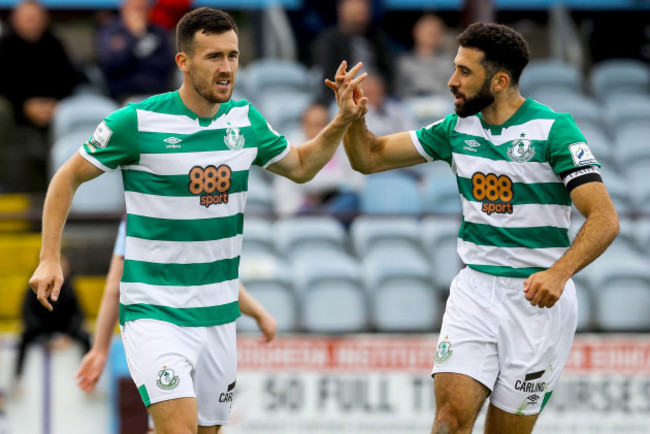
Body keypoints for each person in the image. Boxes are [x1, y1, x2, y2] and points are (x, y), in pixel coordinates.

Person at [29, 7, 367, 434]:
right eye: (214, 57)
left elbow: (300, 166)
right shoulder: (137, 122)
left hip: (219, 315)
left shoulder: (245, 121)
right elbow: (66, 178)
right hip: (155, 311)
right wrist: (49, 257)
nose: (227, 68)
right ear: (183, 62)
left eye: (233, 55)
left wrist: (340, 122)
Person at [327, 22, 619, 434]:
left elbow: (605, 218)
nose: (451, 81)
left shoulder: (554, 130)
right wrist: (352, 120)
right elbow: (368, 158)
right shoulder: (455, 129)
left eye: (464, 71)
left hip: (538, 303)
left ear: (500, 81)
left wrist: (559, 272)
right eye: (454, 68)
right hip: (475, 294)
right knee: (448, 423)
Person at [76, 217, 277, 433]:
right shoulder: (201, 209)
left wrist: (100, 349)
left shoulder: (141, 214)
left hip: (166, 332)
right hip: (172, 330)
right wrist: (259, 313)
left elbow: (116, 284)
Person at [0, 0, 85, 192]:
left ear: (45, 20)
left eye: (36, 19)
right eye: (27, 19)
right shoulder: (5, 46)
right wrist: (24, 106)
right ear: (15, 21)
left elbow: (69, 80)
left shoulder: (55, 45)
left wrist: (55, 105)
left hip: (54, 110)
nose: (32, 24)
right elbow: (4, 85)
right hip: (16, 111)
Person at [272, 103, 363, 218]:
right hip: (300, 210)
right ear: (304, 126)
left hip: (334, 205)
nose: (321, 130)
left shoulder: (340, 144)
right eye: (315, 125)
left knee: (351, 200)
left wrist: (325, 188)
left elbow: (358, 181)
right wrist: (340, 181)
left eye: (324, 124)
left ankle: (325, 219)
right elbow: (305, 181)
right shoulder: (291, 147)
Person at [15, 255, 91, 389]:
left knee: (85, 337)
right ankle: (18, 377)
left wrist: (67, 335)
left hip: (64, 327)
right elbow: (27, 314)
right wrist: (47, 338)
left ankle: (89, 377)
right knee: (24, 337)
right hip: (41, 327)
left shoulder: (69, 288)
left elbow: (78, 315)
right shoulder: (34, 288)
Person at [311, 0, 392, 104]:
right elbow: (328, 77)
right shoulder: (329, 40)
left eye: (364, 11)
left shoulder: (377, 39)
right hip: (343, 98)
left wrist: (379, 87)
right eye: (356, 12)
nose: (361, 16)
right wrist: (355, 89)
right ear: (342, 11)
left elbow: (388, 72)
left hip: (378, 97)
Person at [97, 0, 176, 103]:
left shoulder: (158, 32)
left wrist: (138, 60)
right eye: (135, 9)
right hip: (124, 95)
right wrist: (135, 37)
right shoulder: (112, 32)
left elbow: (167, 64)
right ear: (124, 9)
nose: (139, 14)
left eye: (143, 9)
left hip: (158, 94)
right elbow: (111, 64)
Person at [394, 14, 454, 99]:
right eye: (428, 32)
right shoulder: (404, 62)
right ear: (416, 32)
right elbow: (400, 91)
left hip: (443, 105)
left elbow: (453, 91)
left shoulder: (449, 62)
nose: (432, 35)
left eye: (435, 33)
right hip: (410, 105)